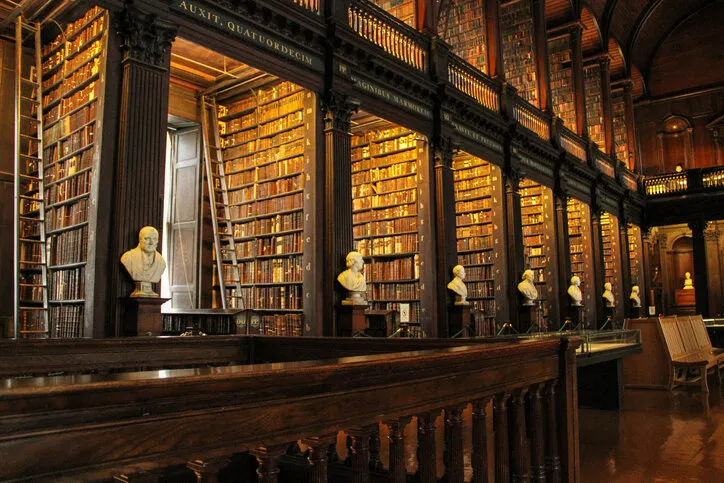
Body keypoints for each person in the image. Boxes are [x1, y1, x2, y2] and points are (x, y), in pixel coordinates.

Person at [120, 226, 166, 297]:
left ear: (157, 241)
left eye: (154, 239)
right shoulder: (128, 257)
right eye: (147, 239)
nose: (151, 243)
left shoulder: (161, 262)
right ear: (140, 239)